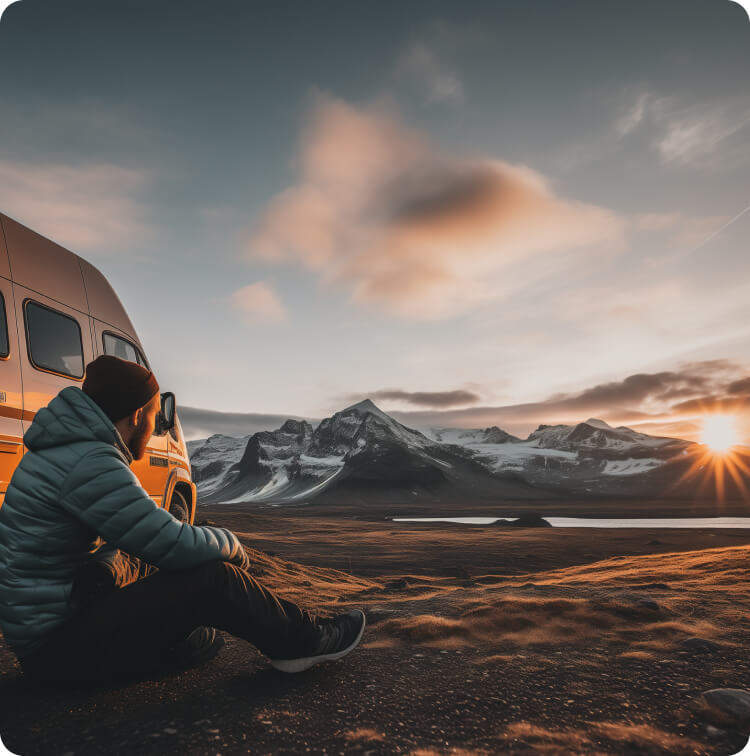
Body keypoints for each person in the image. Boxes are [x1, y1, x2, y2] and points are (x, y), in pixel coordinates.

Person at [0, 355, 365, 684]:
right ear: (137, 415)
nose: (158, 425)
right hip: (57, 652)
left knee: (172, 580)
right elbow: (169, 545)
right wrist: (232, 546)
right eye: (157, 414)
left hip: (55, 632)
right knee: (212, 579)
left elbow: (140, 537)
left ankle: (191, 641)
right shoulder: (89, 461)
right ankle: (305, 640)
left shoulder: (67, 451)